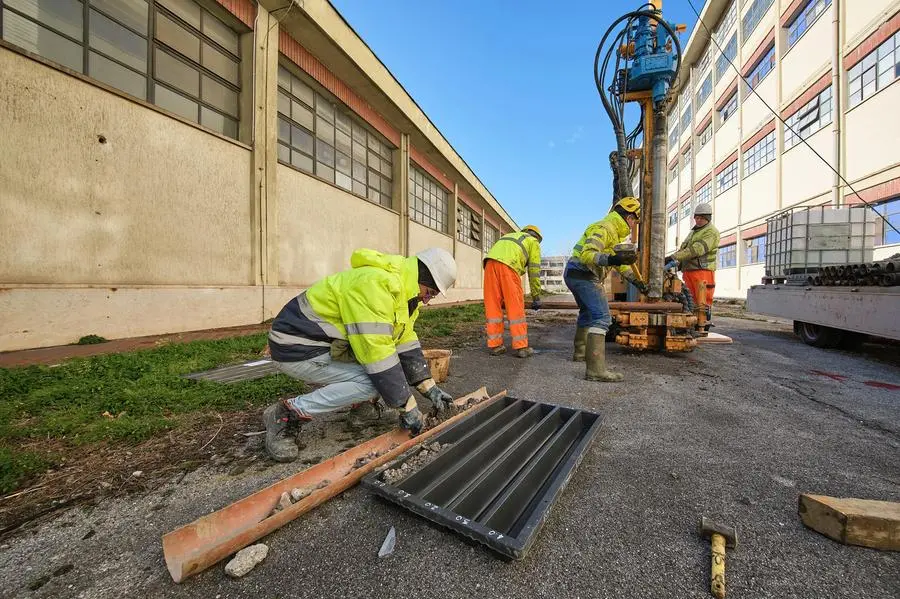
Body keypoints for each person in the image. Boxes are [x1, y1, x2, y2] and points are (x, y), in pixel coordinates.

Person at [262, 247, 457, 462]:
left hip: (321, 343)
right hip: (297, 347)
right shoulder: (375, 285)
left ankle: (364, 410)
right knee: (376, 380)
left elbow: (404, 342)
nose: (428, 300)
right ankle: (287, 414)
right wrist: (408, 407)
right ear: (422, 277)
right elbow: (377, 355)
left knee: (387, 375)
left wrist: (430, 389)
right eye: (430, 292)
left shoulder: (403, 294)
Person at [564, 197, 648, 382]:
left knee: (587, 313)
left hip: (575, 273)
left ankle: (580, 353)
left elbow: (621, 265)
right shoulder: (605, 227)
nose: (634, 225)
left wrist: (637, 281)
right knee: (602, 317)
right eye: (635, 220)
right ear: (629, 217)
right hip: (583, 273)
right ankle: (595, 370)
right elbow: (588, 254)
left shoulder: (614, 233)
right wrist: (611, 260)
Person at [483, 225, 544, 358]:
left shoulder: (509, 236)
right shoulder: (532, 242)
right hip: (509, 266)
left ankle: (495, 345)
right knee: (515, 306)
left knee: (493, 306)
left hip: (489, 264)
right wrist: (536, 296)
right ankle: (521, 346)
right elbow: (534, 271)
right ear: (537, 237)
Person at [666, 202, 720, 330]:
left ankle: (702, 325)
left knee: (702, 301)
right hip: (689, 271)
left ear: (708, 218)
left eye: (701, 218)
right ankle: (692, 325)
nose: (698, 220)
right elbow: (684, 248)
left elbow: (696, 250)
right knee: (690, 300)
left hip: (703, 271)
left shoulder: (711, 232)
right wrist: (675, 262)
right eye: (696, 217)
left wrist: (674, 257)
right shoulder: (694, 232)